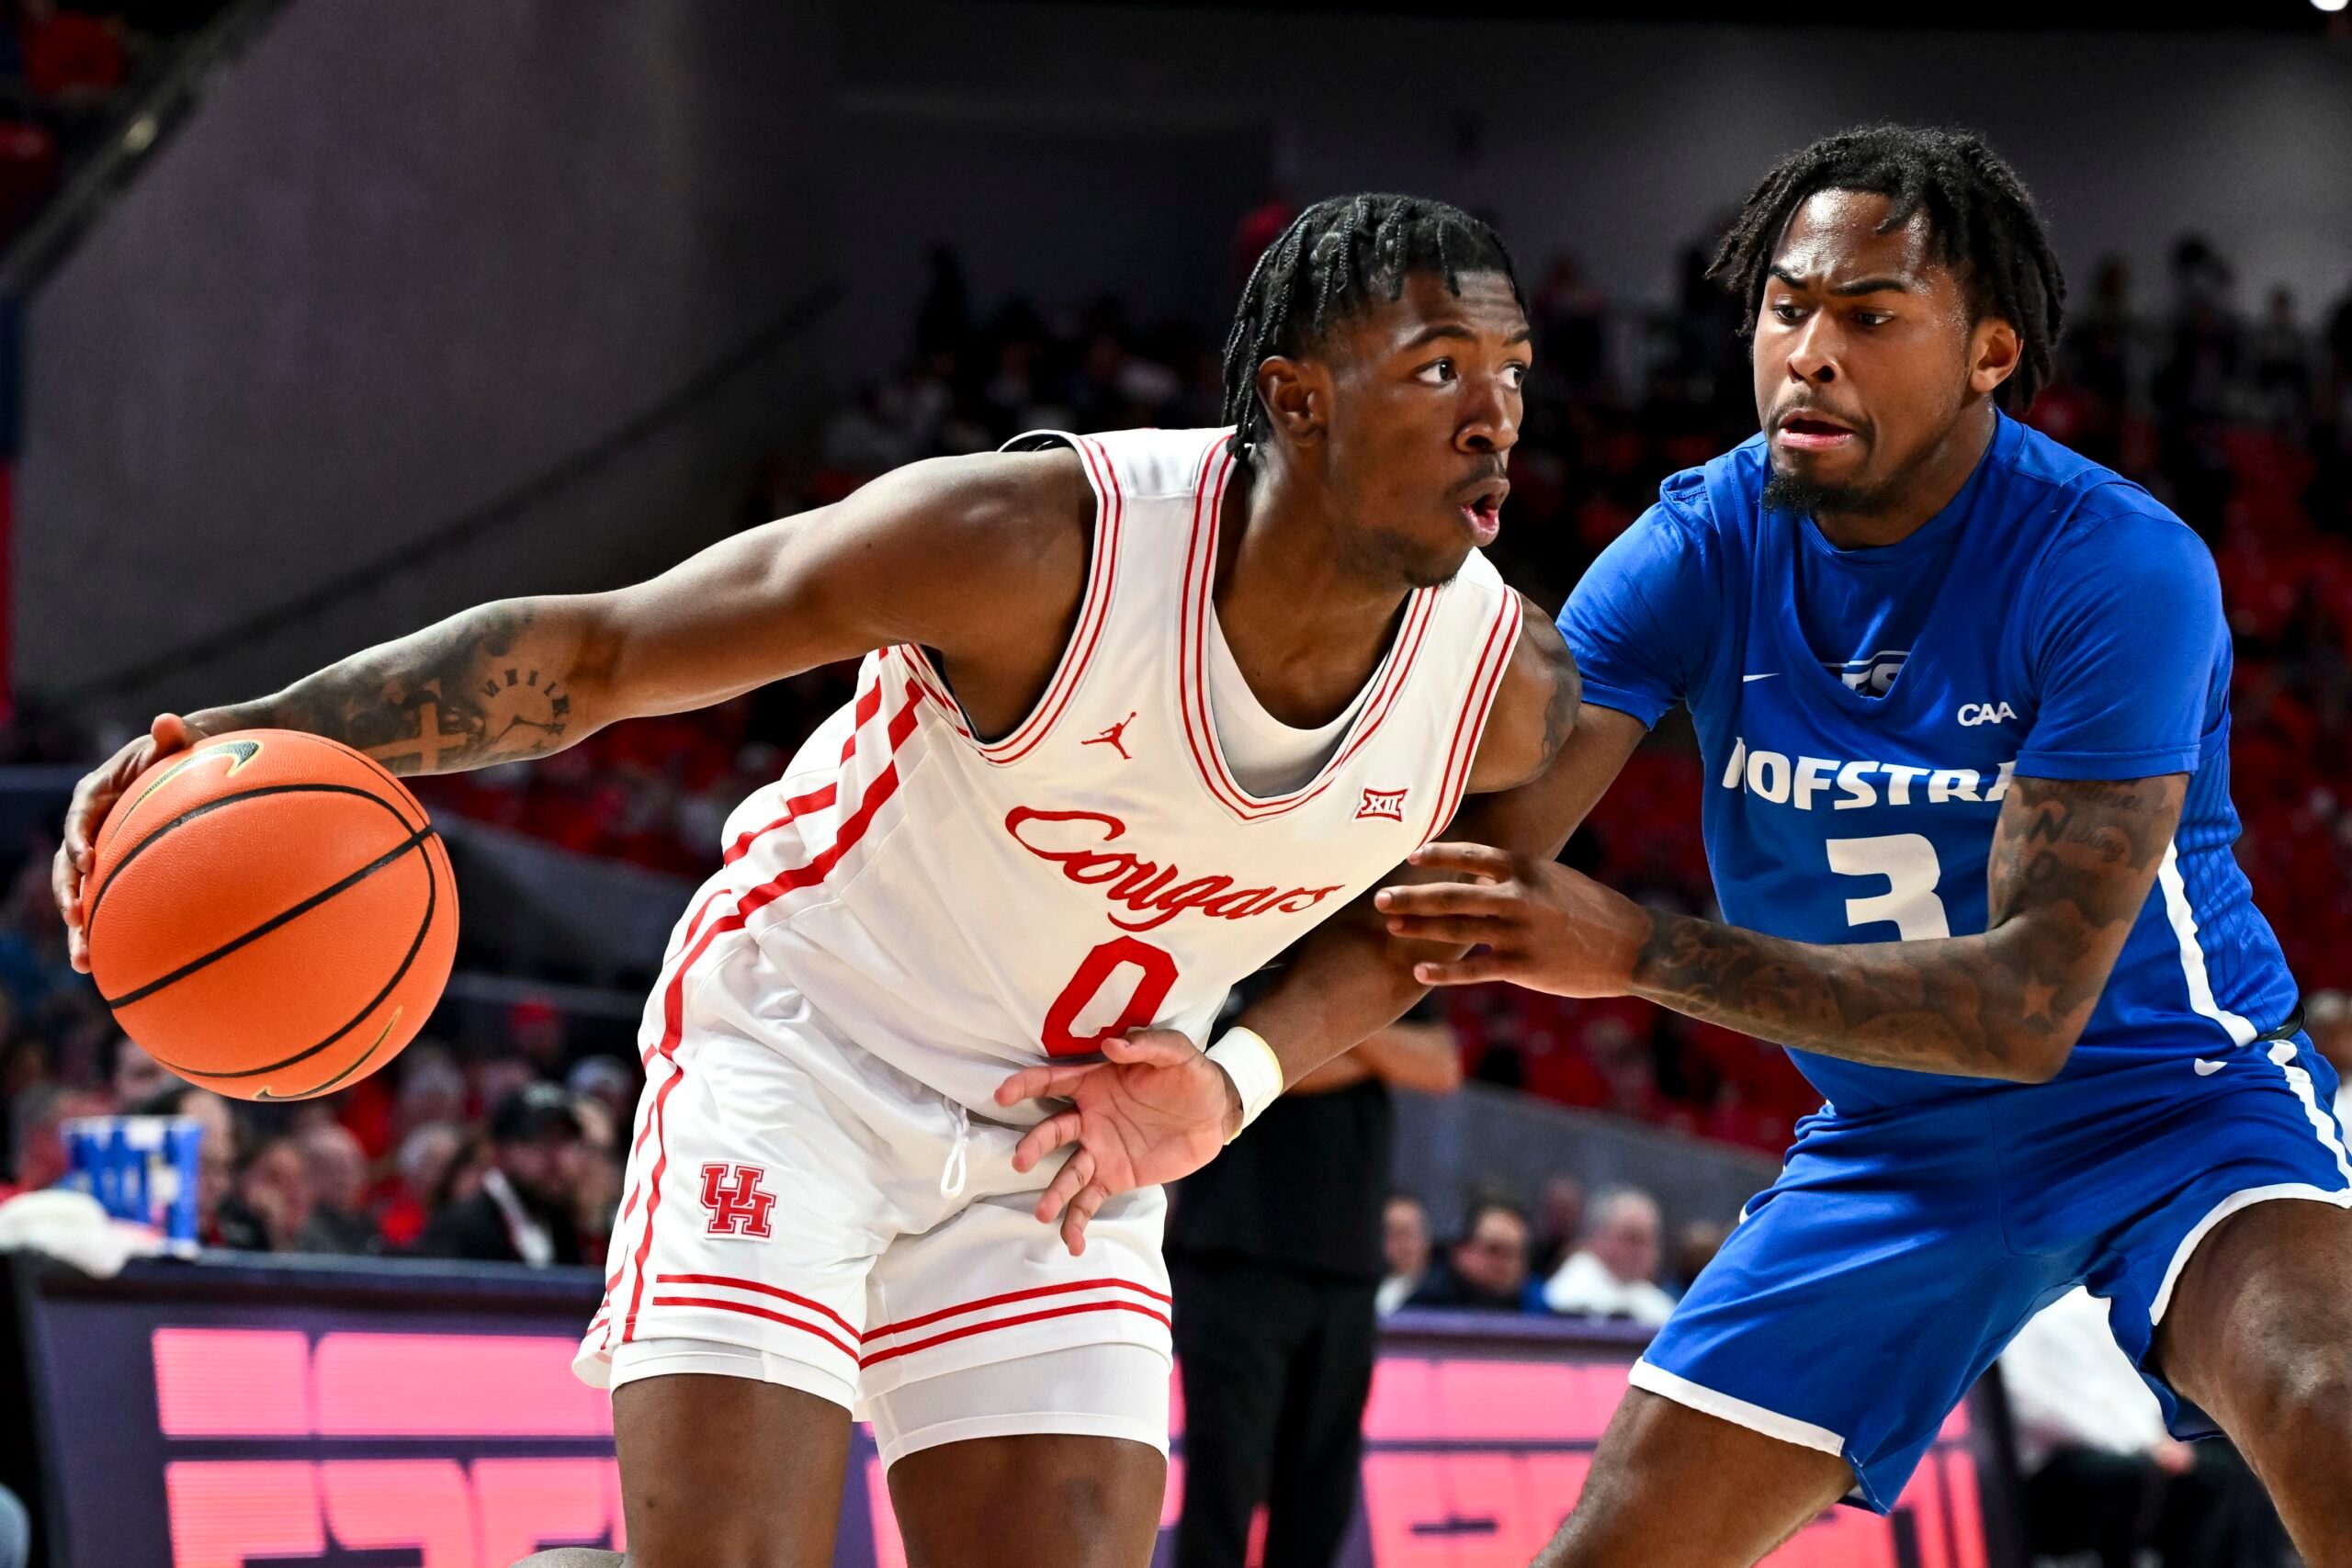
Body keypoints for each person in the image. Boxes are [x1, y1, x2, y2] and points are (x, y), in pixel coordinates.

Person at [53, 192, 1579, 1568]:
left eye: (1514, 374)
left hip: (1058, 1138)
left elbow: (1458, 919)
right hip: (806, 1053)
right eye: (1444, 366)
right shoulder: (1037, 544)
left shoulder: (1503, 690)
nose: (1497, 416)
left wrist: (1234, 1080)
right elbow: (603, 651)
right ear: (1297, 400)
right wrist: (238, 735)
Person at [1363, 125, 2352, 1564]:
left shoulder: (2119, 565)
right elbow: (1471, 877)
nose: (1809, 350)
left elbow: (2025, 1011)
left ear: (1990, 352)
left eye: (1870, 315)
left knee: (2329, 1401)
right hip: (1895, 1143)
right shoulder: (1696, 542)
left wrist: (1642, 948)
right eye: (1786, 305)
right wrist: (1219, 1068)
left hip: (2172, 1106)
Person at [1165, 988, 1459, 1568]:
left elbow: (1441, 1064)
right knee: (1224, 1485)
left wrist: (1317, 1024)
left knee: (1322, 1494)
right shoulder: (1240, 948)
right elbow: (1232, 1078)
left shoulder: (1377, 947)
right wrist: (1367, 1027)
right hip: (1233, 1257)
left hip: (1346, 1266)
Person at [2002, 1288, 2286, 1568]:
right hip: (2054, 1463)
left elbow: (2132, 1394)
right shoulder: (2048, 1317)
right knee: (2136, 1474)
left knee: (2218, 1473)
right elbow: (2048, 1409)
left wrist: (2160, 1440)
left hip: (2127, 1445)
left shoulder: (2108, 1314)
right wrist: (2144, 1444)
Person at [414, 1084, 585, 1267]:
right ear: (499, 1153)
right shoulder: (463, 1228)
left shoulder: (561, 1222)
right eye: (538, 1141)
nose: (556, 1157)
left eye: (565, 1139)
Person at [1541, 1187, 1673, 1325]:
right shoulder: (1567, 1295)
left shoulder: (1661, 1306)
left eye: (1649, 1241)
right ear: (1598, 1237)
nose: (1642, 1251)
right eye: (1632, 1238)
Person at [1404, 1198, 1543, 1313]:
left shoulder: (1540, 1311)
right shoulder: (1426, 1307)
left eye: (1517, 1254)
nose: (1507, 1263)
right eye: (1494, 1250)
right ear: (1462, 1251)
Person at [1376, 1191, 1431, 1314]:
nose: (1399, 1243)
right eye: (1391, 1233)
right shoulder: (1364, 1289)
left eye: (1406, 1233)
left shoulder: (1442, 1295)